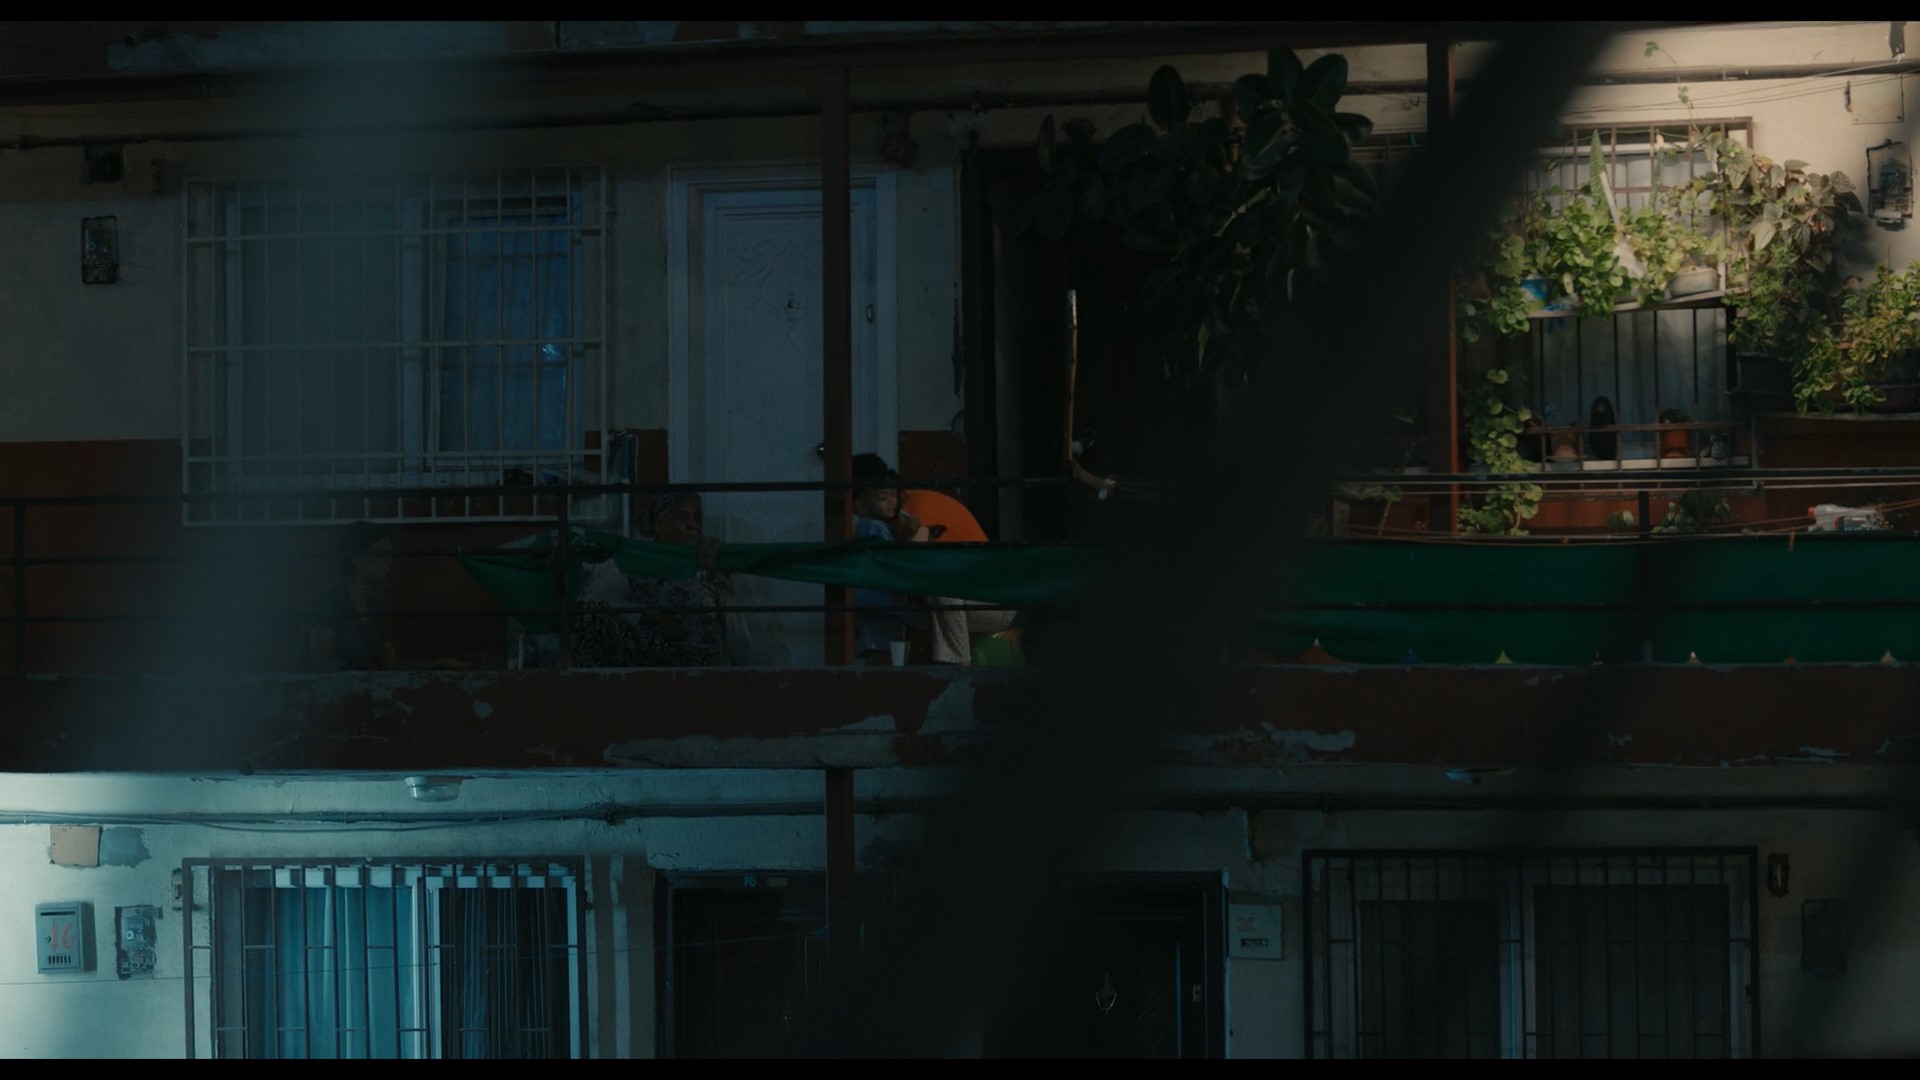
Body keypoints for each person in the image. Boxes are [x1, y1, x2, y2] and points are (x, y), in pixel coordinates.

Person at [850, 454, 1015, 665]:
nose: (889, 502)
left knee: (937, 587)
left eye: (888, 495)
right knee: (877, 599)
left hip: (991, 601)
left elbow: (918, 568)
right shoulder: (889, 523)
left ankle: (956, 663)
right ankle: (879, 665)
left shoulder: (916, 509)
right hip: (968, 598)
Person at [572, 491, 744, 667]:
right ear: (658, 524)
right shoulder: (637, 559)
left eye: (697, 517)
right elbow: (598, 600)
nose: (693, 525)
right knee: (593, 615)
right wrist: (654, 616)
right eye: (682, 517)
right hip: (643, 658)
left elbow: (735, 630)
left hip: (697, 659)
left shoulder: (708, 562)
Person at [306, 524, 468, 672]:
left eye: (390, 556)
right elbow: (322, 662)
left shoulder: (372, 607)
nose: (390, 562)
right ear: (357, 558)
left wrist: (436, 665)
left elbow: (391, 665)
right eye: (383, 555)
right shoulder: (329, 600)